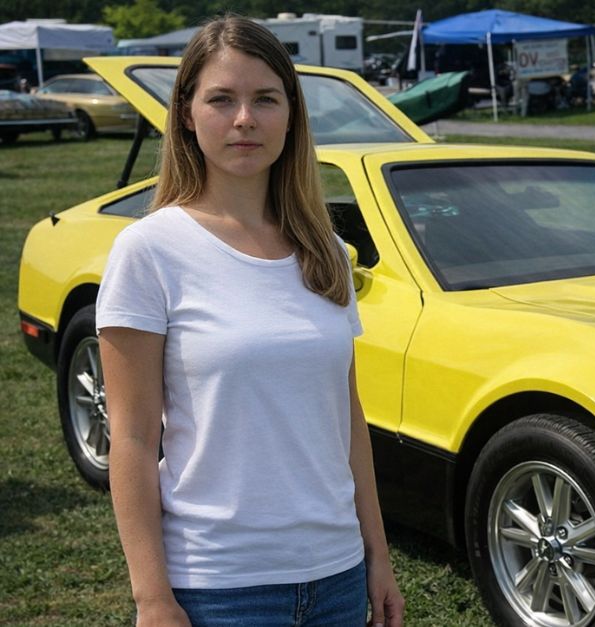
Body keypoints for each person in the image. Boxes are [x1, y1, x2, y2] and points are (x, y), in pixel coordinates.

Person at [97, 16, 404, 627]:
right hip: (217, 588)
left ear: (291, 115)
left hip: (337, 579)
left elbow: (347, 420)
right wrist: (153, 599)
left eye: (265, 99)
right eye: (222, 99)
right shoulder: (149, 251)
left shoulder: (326, 252)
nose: (245, 119)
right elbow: (131, 440)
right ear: (186, 114)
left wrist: (377, 554)